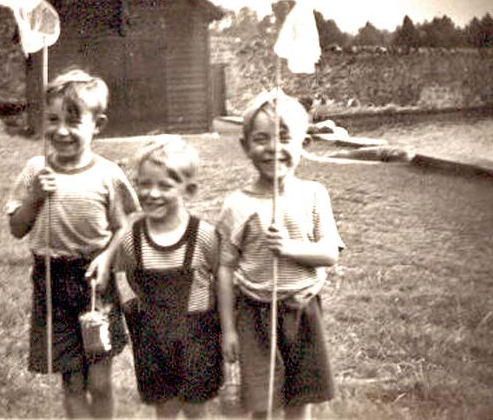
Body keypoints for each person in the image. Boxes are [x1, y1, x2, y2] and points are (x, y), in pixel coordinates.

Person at [5, 69, 140, 418]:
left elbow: (127, 225)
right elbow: (16, 228)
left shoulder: (107, 174)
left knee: (99, 382)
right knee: (73, 382)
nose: (61, 130)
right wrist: (35, 196)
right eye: (52, 119)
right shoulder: (36, 170)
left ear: (98, 124)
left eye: (73, 120)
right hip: (51, 280)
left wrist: (109, 258)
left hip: (94, 280)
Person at [217, 89, 345, 419]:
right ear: (245, 146)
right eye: (261, 139)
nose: (273, 148)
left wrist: (288, 248)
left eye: (285, 138)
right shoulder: (237, 205)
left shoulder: (315, 195)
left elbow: (329, 253)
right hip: (255, 314)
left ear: (305, 143)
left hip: (303, 310)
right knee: (262, 401)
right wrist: (229, 328)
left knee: (300, 398)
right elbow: (225, 269)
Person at [114, 135, 223, 419]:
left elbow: (223, 276)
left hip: (196, 337)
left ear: (189, 191)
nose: (152, 193)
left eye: (164, 185)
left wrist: (229, 327)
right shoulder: (131, 240)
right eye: (144, 184)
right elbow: (125, 277)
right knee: (165, 407)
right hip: (153, 339)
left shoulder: (204, 236)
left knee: (195, 407)